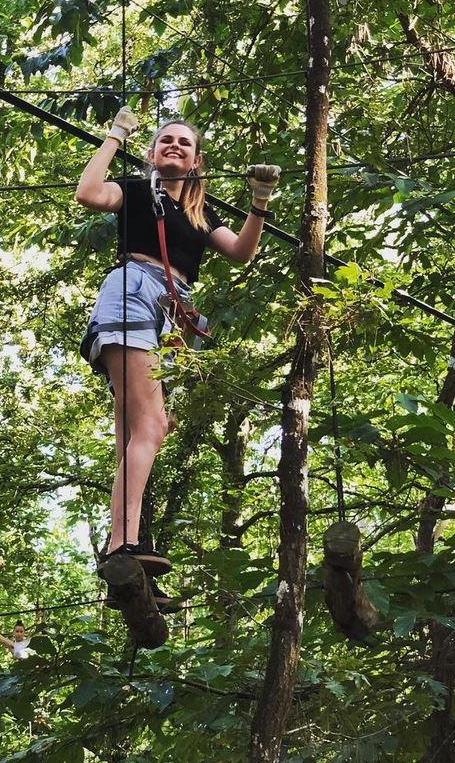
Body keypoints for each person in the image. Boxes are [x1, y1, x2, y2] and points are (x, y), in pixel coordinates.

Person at [75, 107, 280, 603]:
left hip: (172, 312)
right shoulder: (133, 188)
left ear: (196, 161)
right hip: (132, 290)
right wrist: (116, 135)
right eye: (165, 141)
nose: (173, 147)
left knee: (139, 430)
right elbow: (87, 194)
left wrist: (260, 200)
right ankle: (123, 543)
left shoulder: (199, 213)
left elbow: (241, 251)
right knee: (152, 426)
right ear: (151, 153)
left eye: (183, 144)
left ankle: (121, 546)